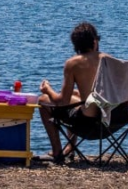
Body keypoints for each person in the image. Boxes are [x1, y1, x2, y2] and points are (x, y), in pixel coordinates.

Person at [37, 21, 108, 162]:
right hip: (112, 119)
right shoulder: (109, 59)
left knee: (43, 100)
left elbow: (61, 101)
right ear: (94, 42)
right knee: (75, 94)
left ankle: (57, 152)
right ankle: (70, 148)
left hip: (89, 123)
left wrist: (48, 90)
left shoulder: (73, 63)